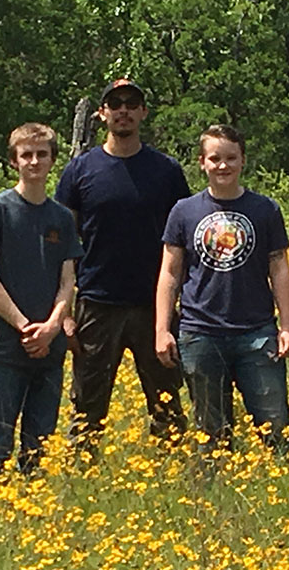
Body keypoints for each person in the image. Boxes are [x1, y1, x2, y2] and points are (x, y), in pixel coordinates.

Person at [55, 79, 190, 449]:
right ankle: (81, 472)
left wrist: (183, 301)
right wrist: (64, 311)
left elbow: (183, 240)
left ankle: (173, 469)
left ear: (143, 112)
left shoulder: (166, 170)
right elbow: (62, 247)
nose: (124, 110)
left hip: (154, 306)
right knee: (87, 403)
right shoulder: (80, 171)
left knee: (167, 401)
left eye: (132, 103)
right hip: (97, 303)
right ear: (103, 114)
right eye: (116, 104)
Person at [156, 125, 289, 455]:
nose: (223, 166)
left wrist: (287, 327)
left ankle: (282, 486)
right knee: (211, 433)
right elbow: (169, 273)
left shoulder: (265, 210)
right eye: (215, 158)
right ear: (202, 162)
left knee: (275, 426)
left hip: (256, 333)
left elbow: (279, 269)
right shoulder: (184, 211)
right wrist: (162, 329)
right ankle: (215, 498)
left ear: (242, 161)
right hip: (199, 333)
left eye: (231, 158)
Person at [0, 123, 83, 477]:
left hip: (50, 349)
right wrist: (25, 327)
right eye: (26, 155)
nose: (34, 161)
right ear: (13, 161)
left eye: (41, 155)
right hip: (6, 346)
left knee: (40, 443)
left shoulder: (62, 218)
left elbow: (68, 281)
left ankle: (33, 514)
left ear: (52, 160)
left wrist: (51, 328)